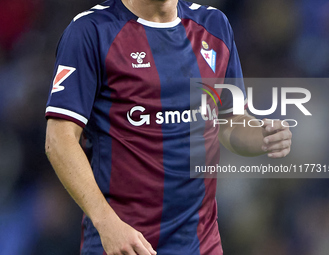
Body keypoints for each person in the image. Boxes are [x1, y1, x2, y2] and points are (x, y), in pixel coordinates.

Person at [45, 0, 292, 254]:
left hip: (200, 244)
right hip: (123, 243)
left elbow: (230, 121)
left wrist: (262, 136)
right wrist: (106, 222)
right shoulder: (91, 31)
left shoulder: (214, 26)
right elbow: (59, 139)